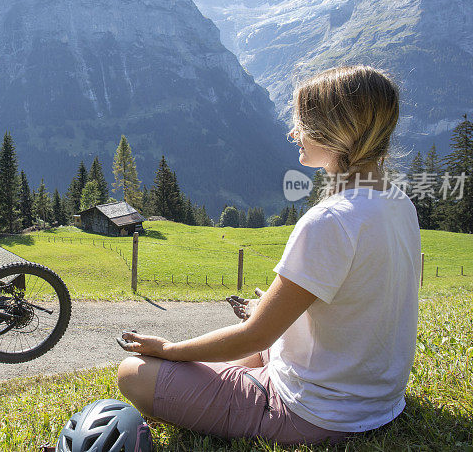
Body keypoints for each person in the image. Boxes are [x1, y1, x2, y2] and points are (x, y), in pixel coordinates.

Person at [116, 65, 421, 445]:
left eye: (304, 124)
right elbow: (363, 300)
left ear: (337, 130)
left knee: (134, 372)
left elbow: (252, 337)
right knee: (247, 350)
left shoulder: (329, 219)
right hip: (378, 400)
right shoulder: (399, 203)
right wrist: (279, 314)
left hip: (314, 413)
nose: (295, 133)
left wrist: (169, 348)